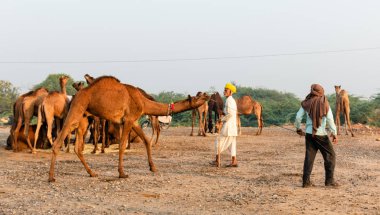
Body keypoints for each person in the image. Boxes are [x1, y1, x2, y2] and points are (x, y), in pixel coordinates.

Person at [295, 84, 339, 188]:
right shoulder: (324, 102)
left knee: (309, 158)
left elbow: (298, 117)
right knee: (330, 156)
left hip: (309, 134)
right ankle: (329, 182)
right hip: (321, 134)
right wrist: (334, 133)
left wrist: (298, 128)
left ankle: (306, 182)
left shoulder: (306, 102)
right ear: (321, 92)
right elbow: (330, 119)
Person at [210, 83, 238, 167]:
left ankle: (217, 160)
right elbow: (228, 113)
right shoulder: (230, 100)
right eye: (224, 90)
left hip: (229, 127)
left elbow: (229, 114)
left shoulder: (229, 101)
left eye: (226, 90)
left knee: (218, 142)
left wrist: (220, 119)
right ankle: (234, 161)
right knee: (232, 144)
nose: (224, 91)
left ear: (231, 92)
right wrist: (222, 113)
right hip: (232, 127)